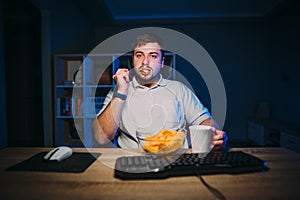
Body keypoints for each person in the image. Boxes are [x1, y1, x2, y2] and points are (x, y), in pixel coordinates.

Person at [92, 33, 227, 150]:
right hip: (132, 161)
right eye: (139, 55)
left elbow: (206, 121)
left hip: (175, 161)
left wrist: (214, 136)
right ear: (133, 61)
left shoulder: (179, 89)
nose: (145, 62)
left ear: (162, 62)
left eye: (153, 56)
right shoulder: (118, 92)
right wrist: (120, 92)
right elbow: (100, 138)